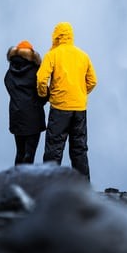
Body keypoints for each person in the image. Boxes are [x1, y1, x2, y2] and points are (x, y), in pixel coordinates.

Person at [36, 21, 97, 180]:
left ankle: (50, 187)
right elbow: (93, 81)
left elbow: (41, 79)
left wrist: (45, 94)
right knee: (79, 150)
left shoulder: (53, 55)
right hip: (79, 109)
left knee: (54, 149)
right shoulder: (83, 55)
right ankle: (83, 191)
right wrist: (81, 93)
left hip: (60, 108)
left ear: (56, 37)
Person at [4, 40, 47, 165]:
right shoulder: (36, 72)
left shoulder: (10, 72)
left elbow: (9, 88)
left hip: (16, 116)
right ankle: (26, 181)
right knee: (30, 153)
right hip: (33, 118)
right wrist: (40, 102)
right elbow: (43, 92)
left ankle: (17, 179)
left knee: (20, 152)